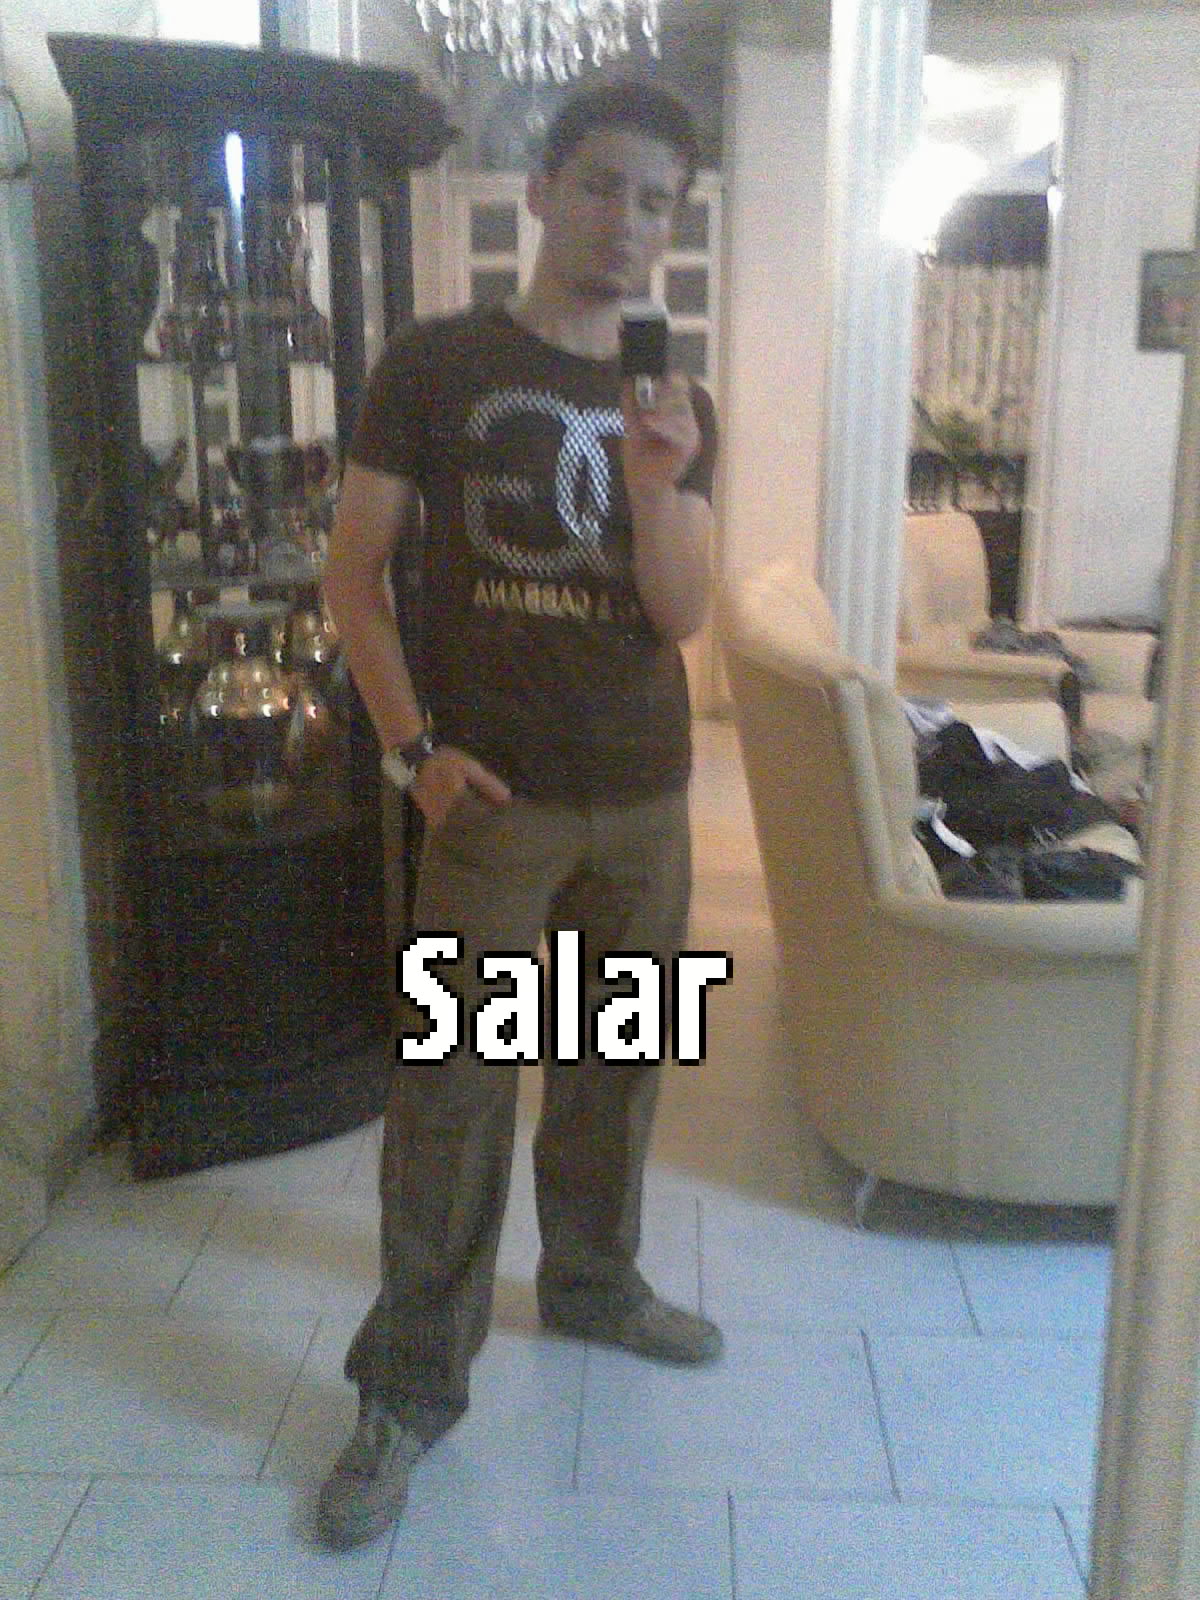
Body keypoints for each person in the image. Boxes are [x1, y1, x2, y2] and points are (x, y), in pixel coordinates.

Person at [315, 77, 721, 1551]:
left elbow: (679, 614)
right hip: (488, 805)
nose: (627, 224)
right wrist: (410, 749)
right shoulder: (433, 365)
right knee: (454, 1093)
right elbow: (353, 578)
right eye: (602, 186)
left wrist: (661, 482)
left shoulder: (678, 399)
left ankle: (595, 1284)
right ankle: (408, 1385)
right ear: (544, 192)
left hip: (648, 798)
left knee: (620, 1068)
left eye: (657, 201)